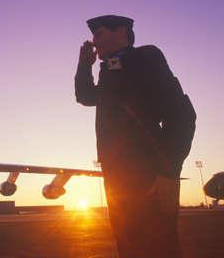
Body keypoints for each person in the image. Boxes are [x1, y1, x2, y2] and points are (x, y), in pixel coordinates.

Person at [75, 15, 195, 258]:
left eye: (98, 34)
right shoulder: (108, 69)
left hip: (148, 176)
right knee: (129, 246)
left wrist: (167, 173)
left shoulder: (145, 57)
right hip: (118, 179)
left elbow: (181, 115)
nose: (94, 42)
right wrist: (84, 65)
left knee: (158, 248)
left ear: (120, 32)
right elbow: (86, 96)